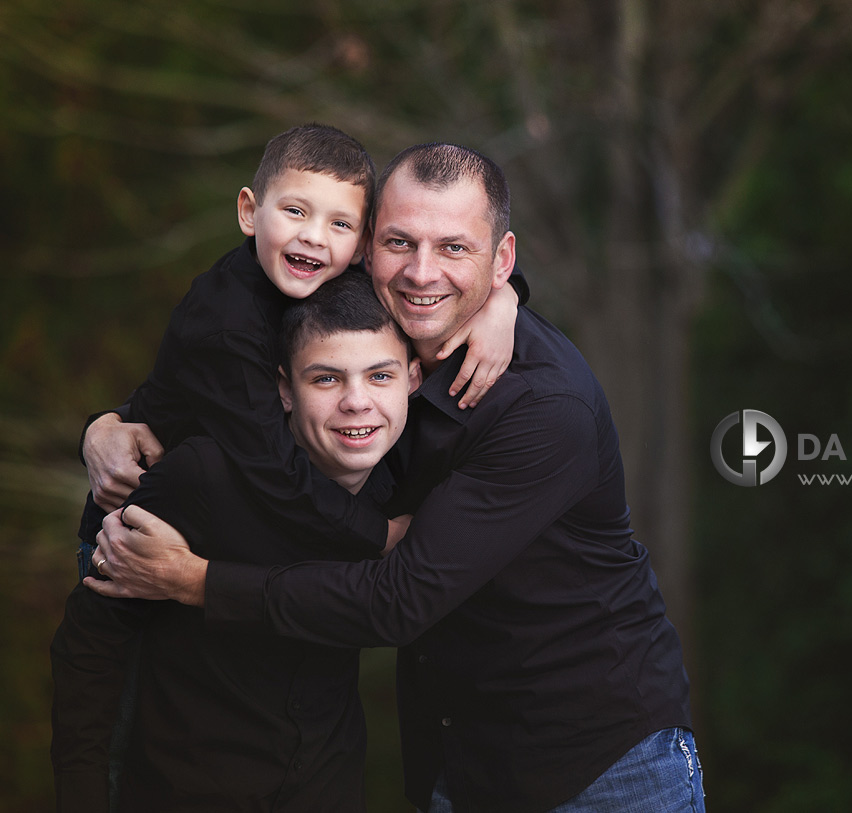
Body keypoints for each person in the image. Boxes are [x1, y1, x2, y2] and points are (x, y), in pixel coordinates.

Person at [87, 143, 705, 813]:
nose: (420, 272)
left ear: (501, 260)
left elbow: (398, 600)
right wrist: (113, 422)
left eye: (453, 249)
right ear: (364, 247)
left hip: (601, 767)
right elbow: (220, 364)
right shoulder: (371, 338)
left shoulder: (544, 409)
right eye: (399, 242)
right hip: (462, 760)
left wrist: (194, 579)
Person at [75, 123, 522, 575]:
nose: (314, 236)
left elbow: (452, 269)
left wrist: (504, 300)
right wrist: (381, 534)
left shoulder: (327, 276)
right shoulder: (229, 325)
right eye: (295, 211)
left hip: (236, 519)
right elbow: (275, 471)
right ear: (250, 212)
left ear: (362, 245)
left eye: (339, 223)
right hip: (138, 532)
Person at [51, 271, 420, 811]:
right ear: (282, 389)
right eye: (326, 379)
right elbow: (90, 643)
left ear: (413, 377)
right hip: (187, 790)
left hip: (327, 786)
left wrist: (506, 301)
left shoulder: (410, 487)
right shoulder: (203, 474)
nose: (357, 402)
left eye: (380, 376)